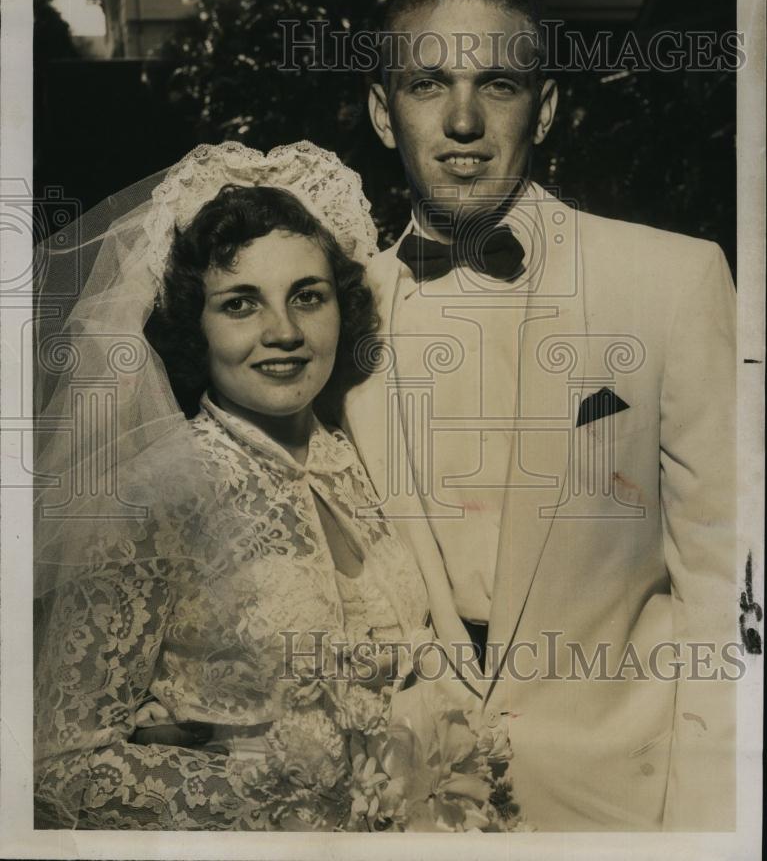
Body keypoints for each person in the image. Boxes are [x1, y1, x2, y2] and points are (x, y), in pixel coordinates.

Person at [343, 0, 737, 831]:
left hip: (626, 805)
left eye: (498, 83)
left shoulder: (671, 280)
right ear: (382, 112)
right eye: (426, 84)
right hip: (410, 812)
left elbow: (725, 590)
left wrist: (711, 827)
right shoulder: (335, 320)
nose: (461, 121)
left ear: (546, 108)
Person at [33, 141, 518, 832]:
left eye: (307, 297)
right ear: (192, 326)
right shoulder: (155, 496)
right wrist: (296, 797)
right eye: (240, 304)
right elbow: (59, 765)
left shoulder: (355, 460)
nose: (283, 332)